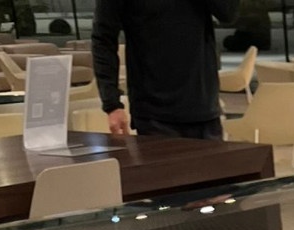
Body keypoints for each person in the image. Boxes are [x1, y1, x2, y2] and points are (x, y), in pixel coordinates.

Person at [92, 0, 242, 141]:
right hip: (154, 113)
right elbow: (103, 39)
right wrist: (112, 104)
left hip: (205, 109)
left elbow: (228, 14)